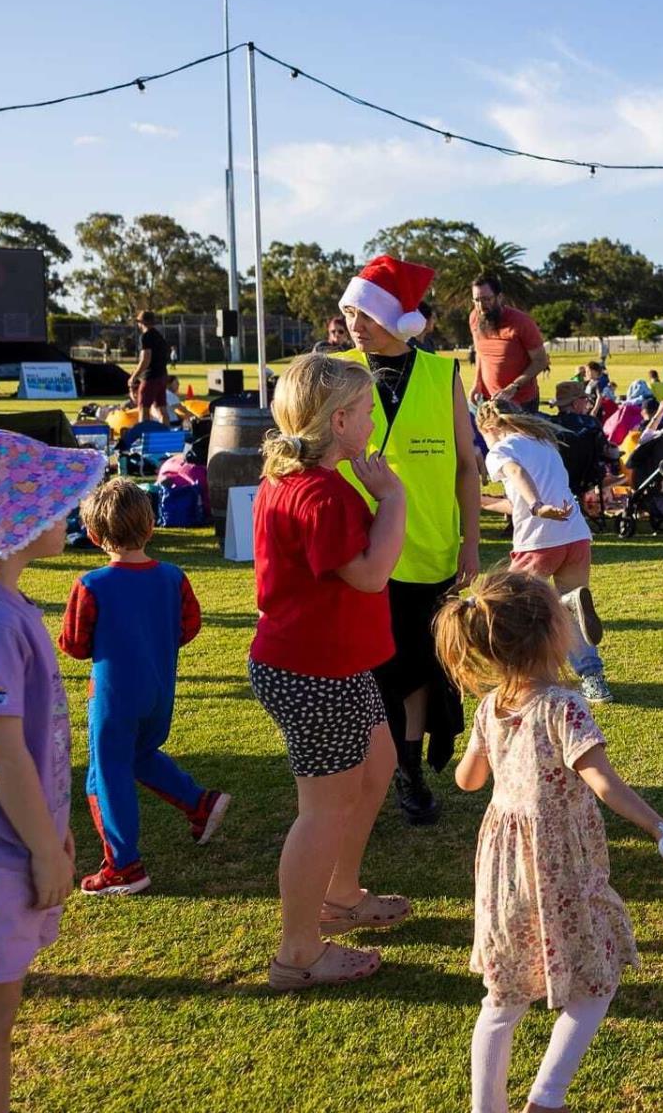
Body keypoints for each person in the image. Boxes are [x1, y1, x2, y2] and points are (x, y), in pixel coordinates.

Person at [439, 571, 663, 1113]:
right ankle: (547, 1098)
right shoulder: (563, 707)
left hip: (504, 871)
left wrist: (483, 743)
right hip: (561, 867)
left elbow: (468, 780)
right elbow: (604, 783)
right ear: (551, 633)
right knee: (596, 980)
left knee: (502, 999)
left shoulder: (491, 707)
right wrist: (660, 828)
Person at [250, 354, 411, 989]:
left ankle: (340, 895)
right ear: (340, 420)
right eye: (367, 411)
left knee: (378, 768)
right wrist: (393, 495)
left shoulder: (303, 480)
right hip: (313, 669)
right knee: (323, 808)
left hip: (334, 664)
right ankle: (298, 951)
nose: (373, 421)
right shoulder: (319, 492)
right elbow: (371, 573)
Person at [0, 430, 104, 1110]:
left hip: (6, 845)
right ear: (12, 524)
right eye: (52, 504)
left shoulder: (4, 609)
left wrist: (53, 830)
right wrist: (42, 847)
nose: (66, 514)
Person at [339, 255, 483, 826]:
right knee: (376, 668)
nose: (356, 325)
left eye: (367, 316)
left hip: (431, 546)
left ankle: (410, 770)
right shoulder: (338, 373)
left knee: (423, 666)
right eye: (350, 313)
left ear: (401, 320)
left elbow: (467, 469)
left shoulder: (442, 374)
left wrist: (471, 545)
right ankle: (384, 766)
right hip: (359, 551)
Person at [55, 478, 228, 896]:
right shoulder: (173, 576)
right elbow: (189, 626)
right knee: (140, 753)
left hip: (114, 695)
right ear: (151, 526)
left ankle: (123, 865)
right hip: (160, 688)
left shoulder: (91, 585)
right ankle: (199, 803)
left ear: (94, 536)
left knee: (105, 773)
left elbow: (74, 644)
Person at [474, 401, 611, 703]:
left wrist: (536, 505)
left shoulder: (502, 449)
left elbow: (516, 472)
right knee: (570, 613)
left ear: (490, 428)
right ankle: (593, 680)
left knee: (503, 603)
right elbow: (517, 503)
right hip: (574, 535)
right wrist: (481, 501)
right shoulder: (544, 442)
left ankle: (515, 677)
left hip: (539, 541)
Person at [468, 273, 550, 410]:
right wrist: (477, 383)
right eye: (476, 300)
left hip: (520, 403)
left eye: (486, 299)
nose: (481, 306)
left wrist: (514, 387)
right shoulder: (474, 318)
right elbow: (480, 354)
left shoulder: (522, 323)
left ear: (499, 298)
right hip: (487, 400)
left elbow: (541, 361)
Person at [131, 310, 172, 425]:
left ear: (142, 322)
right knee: (162, 409)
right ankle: (166, 435)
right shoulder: (159, 337)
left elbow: (145, 359)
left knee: (143, 409)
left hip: (150, 377)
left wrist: (134, 376)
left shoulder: (145, 337)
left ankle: (144, 435)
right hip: (162, 375)